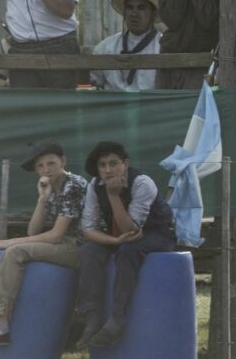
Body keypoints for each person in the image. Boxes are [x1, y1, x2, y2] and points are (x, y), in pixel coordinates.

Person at [0, 140, 88, 347]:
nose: (46, 170)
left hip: (85, 247)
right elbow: (33, 231)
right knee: (15, 250)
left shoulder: (73, 185)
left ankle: (1, 326)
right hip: (67, 243)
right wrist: (42, 199)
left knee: (15, 252)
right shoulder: (53, 187)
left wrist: (7, 242)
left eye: (51, 164)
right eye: (40, 166)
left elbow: (55, 235)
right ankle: (1, 326)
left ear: (63, 161)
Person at [74, 142, 175, 348]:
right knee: (88, 251)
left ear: (125, 164)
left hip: (157, 233)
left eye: (113, 164)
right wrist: (114, 241)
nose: (108, 170)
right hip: (119, 235)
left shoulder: (142, 183)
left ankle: (117, 318)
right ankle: (92, 317)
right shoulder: (95, 185)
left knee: (129, 250)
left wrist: (113, 196)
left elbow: (131, 231)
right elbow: (88, 229)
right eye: (102, 165)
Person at [91, 0, 163, 91]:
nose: (134, 13)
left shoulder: (162, 47)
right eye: (130, 7)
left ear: (154, 13)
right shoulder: (106, 48)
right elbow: (93, 83)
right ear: (124, 13)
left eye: (141, 8)